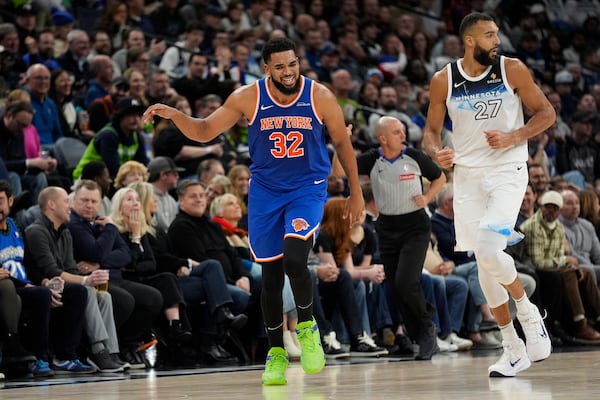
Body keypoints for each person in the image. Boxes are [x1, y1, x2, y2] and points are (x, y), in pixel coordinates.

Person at [144, 37, 364, 386]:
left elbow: (341, 142)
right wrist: (175, 116)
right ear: (266, 69)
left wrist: (356, 192)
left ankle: (307, 327)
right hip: (265, 192)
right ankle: (275, 353)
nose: (288, 72)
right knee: (272, 277)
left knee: (295, 258)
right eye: (280, 66)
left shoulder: (319, 95)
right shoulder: (248, 96)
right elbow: (203, 130)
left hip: (307, 187)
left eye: (292, 64)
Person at [423, 12, 556, 378]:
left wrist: (514, 136)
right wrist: (437, 152)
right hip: (466, 177)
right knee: (484, 263)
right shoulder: (443, 80)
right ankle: (512, 347)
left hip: (507, 171)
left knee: (488, 250)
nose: (496, 41)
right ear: (469, 41)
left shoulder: (511, 69)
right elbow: (430, 133)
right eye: (489, 35)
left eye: (497, 34)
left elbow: (547, 113)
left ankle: (528, 313)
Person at [333, 115, 446, 360]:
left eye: (402, 131)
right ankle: (423, 330)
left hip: (415, 227)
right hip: (387, 227)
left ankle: (427, 328)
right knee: (395, 287)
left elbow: (440, 177)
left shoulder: (415, 157)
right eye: (396, 132)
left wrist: (428, 198)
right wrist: (343, 141)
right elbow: (339, 170)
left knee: (407, 281)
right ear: (382, 138)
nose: (403, 135)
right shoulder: (374, 159)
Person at [22, 186, 125, 372]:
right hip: (42, 284)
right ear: (51, 205)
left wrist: (88, 280)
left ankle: (111, 352)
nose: (69, 206)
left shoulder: (65, 232)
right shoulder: (36, 231)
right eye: (65, 201)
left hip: (61, 282)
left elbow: (70, 269)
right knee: (84, 289)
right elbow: (52, 271)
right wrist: (86, 280)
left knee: (105, 296)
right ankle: (97, 351)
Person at [520, 190, 600, 342]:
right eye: (547, 206)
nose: (550, 211)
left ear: (559, 210)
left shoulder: (558, 227)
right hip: (532, 268)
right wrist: (566, 262)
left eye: (555, 207)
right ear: (541, 207)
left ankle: (597, 317)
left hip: (551, 265)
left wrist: (568, 263)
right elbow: (539, 262)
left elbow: (555, 256)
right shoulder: (533, 226)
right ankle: (579, 323)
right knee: (568, 273)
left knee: (586, 272)